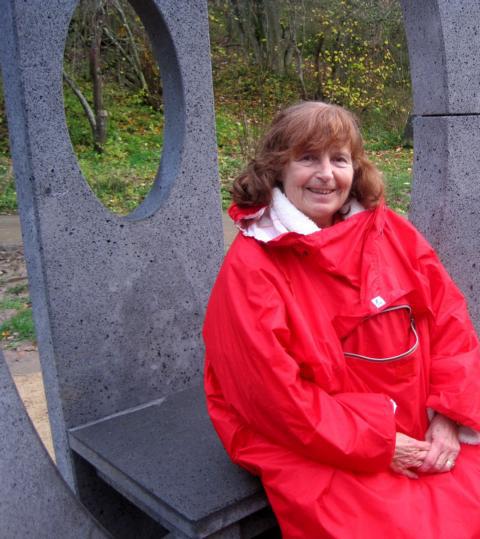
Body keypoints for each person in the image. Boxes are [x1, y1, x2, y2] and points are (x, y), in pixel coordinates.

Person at [203, 101, 480, 538]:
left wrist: (448, 415)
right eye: (307, 158)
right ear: (277, 167)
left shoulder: (389, 231)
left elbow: (449, 320)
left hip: (420, 418)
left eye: (339, 159)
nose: (326, 174)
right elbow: (273, 398)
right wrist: (379, 443)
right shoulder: (251, 268)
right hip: (316, 437)